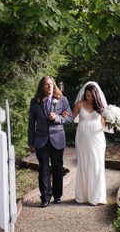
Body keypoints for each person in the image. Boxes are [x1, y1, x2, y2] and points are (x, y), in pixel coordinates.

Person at [27, 76, 72, 207]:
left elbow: (69, 117)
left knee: (58, 168)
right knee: (43, 169)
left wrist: (57, 118)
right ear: (42, 86)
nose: (50, 86)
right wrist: (31, 142)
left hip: (57, 139)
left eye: (51, 84)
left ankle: (57, 196)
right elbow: (31, 124)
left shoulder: (62, 100)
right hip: (41, 140)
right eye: (47, 84)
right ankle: (45, 197)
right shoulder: (35, 102)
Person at [72, 81, 108, 205]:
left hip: (97, 138)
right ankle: (83, 196)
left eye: (92, 96)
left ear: (96, 95)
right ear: (84, 94)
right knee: (84, 163)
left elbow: (104, 124)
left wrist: (113, 120)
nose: (90, 98)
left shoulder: (101, 106)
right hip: (82, 138)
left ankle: (96, 197)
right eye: (87, 95)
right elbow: (71, 118)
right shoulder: (79, 104)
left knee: (97, 163)